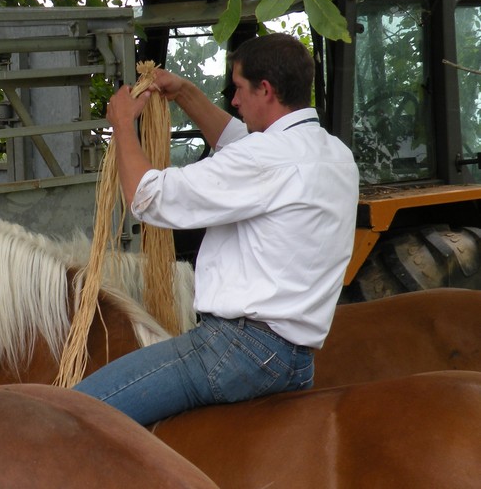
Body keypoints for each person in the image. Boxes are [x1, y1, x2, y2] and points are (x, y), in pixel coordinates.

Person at [73, 33, 359, 426]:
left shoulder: (266, 157)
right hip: (292, 359)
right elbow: (237, 144)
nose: (234, 101)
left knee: (75, 412)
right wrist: (184, 93)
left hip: (237, 350)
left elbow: (147, 197)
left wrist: (122, 125)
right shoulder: (334, 153)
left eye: (238, 88)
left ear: (266, 89)